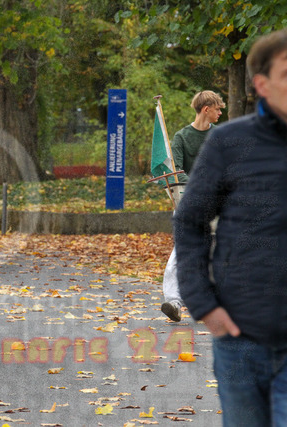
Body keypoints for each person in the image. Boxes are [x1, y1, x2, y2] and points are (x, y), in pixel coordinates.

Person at [175, 29, 287, 426]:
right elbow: (190, 221)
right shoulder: (229, 142)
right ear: (263, 85)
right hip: (242, 339)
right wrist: (204, 305)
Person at [160, 90, 225, 322]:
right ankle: (173, 302)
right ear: (206, 109)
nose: (220, 113)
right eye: (217, 109)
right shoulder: (181, 137)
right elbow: (176, 171)